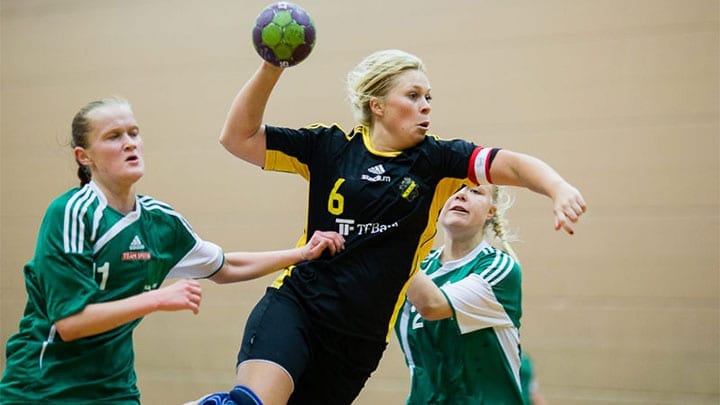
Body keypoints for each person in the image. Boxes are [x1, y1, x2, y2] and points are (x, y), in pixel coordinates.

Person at [202, 49, 586, 404]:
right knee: (255, 401)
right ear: (378, 105)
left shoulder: (438, 161)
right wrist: (272, 67)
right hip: (299, 305)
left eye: (428, 97)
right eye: (414, 95)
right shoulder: (330, 148)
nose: (426, 106)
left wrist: (557, 187)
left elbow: (513, 164)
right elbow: (237, 137)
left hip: (359, 339)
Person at [0, 97, 345, 405]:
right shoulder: (72, 213)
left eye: (134, 133)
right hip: (42, 389)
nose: (129, 143)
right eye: (113, 136)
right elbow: (70, 323)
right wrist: (156, 299)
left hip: (114, 390)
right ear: (84, 156)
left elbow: (225, 266)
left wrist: (300, 254)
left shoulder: (160, 222)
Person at [394, 183, 525, 404]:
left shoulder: (499, 267)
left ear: (491, 211)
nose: (461, 195)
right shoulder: (420, 266)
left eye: (475, 191)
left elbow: (432, 305)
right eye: (455, 188)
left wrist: (390, 235)